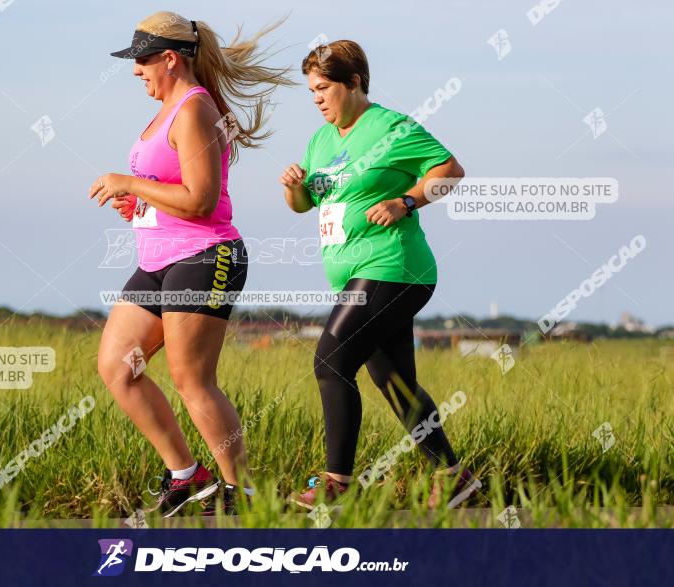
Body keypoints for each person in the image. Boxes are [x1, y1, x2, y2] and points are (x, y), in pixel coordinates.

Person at [90, 11, 292, 516]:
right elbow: (173, 191)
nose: (135, 70)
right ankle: (186, 477)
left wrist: (131, 184)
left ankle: (242, 493)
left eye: (141, 60)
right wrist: (139, 204)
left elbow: (201, 201)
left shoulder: (194, 110)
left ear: (170, 58)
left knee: (192, 380)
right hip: (158, 259)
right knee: (118, 368)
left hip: (205, 257)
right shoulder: (164, 111)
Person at [280, 40, 480, 510]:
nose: (317, 99)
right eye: (311, 91)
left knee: (331, 361)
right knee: (395, 382)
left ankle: (337, 486)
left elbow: (451, 170)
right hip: (354, 274)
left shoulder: (391, 127)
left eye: (324, 88)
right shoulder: (321, 140)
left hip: (395, 266)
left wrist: (406, 200)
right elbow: (306, 203)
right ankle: (456, 479)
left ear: (354, 83)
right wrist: (292, 186)